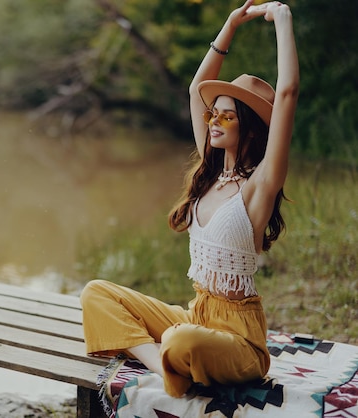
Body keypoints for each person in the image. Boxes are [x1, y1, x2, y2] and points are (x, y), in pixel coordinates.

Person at [80, 0, 299, 398]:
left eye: (226, 117)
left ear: (249, 128)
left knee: (183, 341)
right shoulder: (211, 170)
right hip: (197, 313)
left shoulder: (259, 184)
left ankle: (172, 357)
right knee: (97, 292)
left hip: (240, 341)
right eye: (213, 115)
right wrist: (229, 26)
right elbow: (195, 90)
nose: (212, 121)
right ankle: (164, 367)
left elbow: (287, 94)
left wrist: (283, 20)